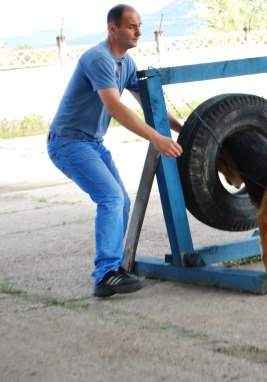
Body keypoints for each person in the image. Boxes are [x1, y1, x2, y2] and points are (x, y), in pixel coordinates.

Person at [47, 4, 183, 298]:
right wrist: (158, 139)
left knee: (120, 202)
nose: (139, 32)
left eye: (140, 26)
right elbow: (116, 107)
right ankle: (106, 274)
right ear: (113, 29)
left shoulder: (127, 64)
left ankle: (113, 269)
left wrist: (181, 127)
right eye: (132, 26)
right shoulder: (98, 59)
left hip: (92, 143)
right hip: (68, 142)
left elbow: (149, 107)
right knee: (109, 197)